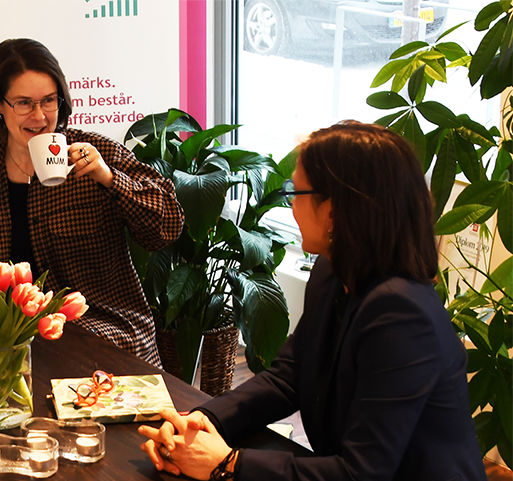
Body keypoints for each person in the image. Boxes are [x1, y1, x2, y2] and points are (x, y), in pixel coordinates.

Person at [139, 121, 487, 480]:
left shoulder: (402, 315)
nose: (290, 207)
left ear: (335, 211)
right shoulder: (333, 272)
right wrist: (203, 421)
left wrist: (228, 464)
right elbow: (289, 377)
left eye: (296, 193)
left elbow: (362, 473)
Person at [0, 38, 184, 367]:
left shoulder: (95, 155)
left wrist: (109, 178)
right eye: (24, 103)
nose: (40, 116)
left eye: (49, 101)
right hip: (3, 342)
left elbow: (167, 227)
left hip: (103, 336)